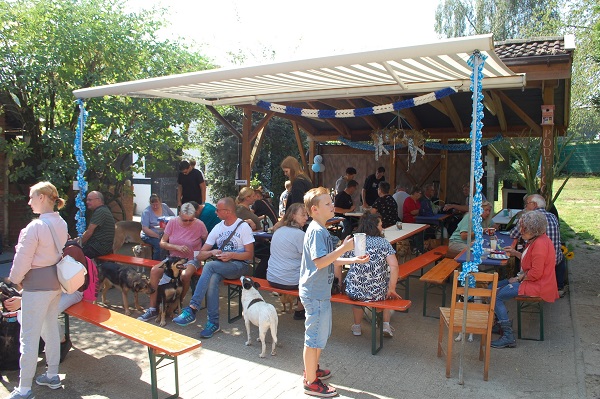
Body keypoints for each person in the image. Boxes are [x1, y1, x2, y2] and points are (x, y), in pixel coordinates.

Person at [300, 187, 368, 397]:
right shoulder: (318, 231)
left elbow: (328, 260)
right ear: (315, 209)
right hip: (315, 293)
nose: (332, 206)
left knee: (321, 334)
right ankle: (311, 381)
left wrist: (352, 259)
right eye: (328, 203)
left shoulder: (319, 229)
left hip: (318, 292)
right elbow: (320, 263)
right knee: (314, 337)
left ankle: (312, 369)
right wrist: (344, 249)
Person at [8, 182, 68, 398]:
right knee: (51, 328)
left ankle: (24, 388)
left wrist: (14, 280)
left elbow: (22, 259)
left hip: (35, 286)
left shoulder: (35, 227)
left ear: (42, 197)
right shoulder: (61, 222)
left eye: (32, 197)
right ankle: (52, 375)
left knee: (29, 337)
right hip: (56, 283)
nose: (29, 201)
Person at [173, 198, 254, 338]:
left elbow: (250, 255)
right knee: (212, 278)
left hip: (240, 266)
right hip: (222, 266)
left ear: (228, 211)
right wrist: (211, 252)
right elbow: (199, 255)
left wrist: (232, 255)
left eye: (218, 209)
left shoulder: (243, 227)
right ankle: (213, 323)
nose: (215, 212)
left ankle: (192, 308)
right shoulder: (218, 227)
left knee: (210, 266)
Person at [491, 211, 558, 348]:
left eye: (523, 227)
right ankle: (500, 325)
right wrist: (515, 253)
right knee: (491, 287)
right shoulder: (539, 239)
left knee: (496, 295)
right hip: (533, 280)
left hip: (537, 285)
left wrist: (519, 278)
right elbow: (532, 262)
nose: (521, 230)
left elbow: (536, 273)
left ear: (533, 229)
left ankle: (508, 336)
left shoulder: (539, 245)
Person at [138, 203, 208, 322]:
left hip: (192, 258)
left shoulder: (199, 224)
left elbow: (208, 242)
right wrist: (176, 247)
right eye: (185, 220)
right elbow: (162, 243)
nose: (188, 222)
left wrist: (201, 254)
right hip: (173, 258)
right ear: (179, 214)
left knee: (185, 275)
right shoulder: (173, 222)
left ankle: (176, 305)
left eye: (190, 220)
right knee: (155, 271)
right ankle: (152, 308)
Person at [342, 213, 401, 337]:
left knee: (356, 300)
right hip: (378, 292)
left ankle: (357, 327)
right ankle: (386, 325)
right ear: (374, 227)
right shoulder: (383, 243)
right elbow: (394, 266)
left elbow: (340, 260)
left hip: (355, 290)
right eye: (380, 225)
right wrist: (392, 288)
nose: (382, 227)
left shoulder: (354, 241)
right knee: (386, 293)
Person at [509, 194, 566, 296]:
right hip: (556, 259)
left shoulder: (529, 218)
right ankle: (560, 285)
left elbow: (513, 234)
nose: (525, 207)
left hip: (540, 266)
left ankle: (519, 281)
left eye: (527, 204)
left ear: (534, 204)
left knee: (524, 256)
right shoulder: (552, 216)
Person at [267, 203, 309, 320]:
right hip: (289, 281)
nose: (306, 218)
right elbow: (309, 259)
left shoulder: (279, 230)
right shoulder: (300, 234)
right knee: (312, 274)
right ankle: (301, 310)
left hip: (272, 277)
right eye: (303, 215)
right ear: (294, 215)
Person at [140, 194, 176, 260]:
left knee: (175, 241)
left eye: (157, 204)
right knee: (159, 245)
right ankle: (156, 264)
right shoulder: (146, 212)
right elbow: (145, 229)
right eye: (153, 205)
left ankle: (169, 261)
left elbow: (173, 218)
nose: (155, 206)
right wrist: (158, 236)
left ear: (160, 202)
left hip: (165, 233)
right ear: (150, 203)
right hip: (150, 235)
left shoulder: (164, 206)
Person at [80, 191, 114, 259]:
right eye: (87, 200)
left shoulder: (100, 211)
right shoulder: (103, 210)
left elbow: (89, 232)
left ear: (98, 200)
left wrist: (77, 243)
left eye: (89, 200)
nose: (87, 202)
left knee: (74, 255)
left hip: (98, 248)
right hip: (102, 247)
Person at [403, 186, 424, 254]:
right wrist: (421, 210)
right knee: (418, 232)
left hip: (416, 220)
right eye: (419, 193)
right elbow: (413, 212)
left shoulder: (417, 201)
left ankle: (420, 248)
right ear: (415, 192)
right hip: (409, 221)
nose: (420, 195)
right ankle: (416, 248)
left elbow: (417, 211)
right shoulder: (408, 200)